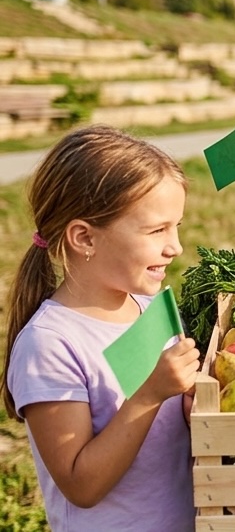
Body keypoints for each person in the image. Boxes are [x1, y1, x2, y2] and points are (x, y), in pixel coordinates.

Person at [1, 126, 198, 531]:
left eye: (175, 226)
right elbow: (81, 484)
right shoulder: (49, 344)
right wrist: (150, 394)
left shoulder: (149, 308)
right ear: (84, 238)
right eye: (157, 230)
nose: (175, 246)